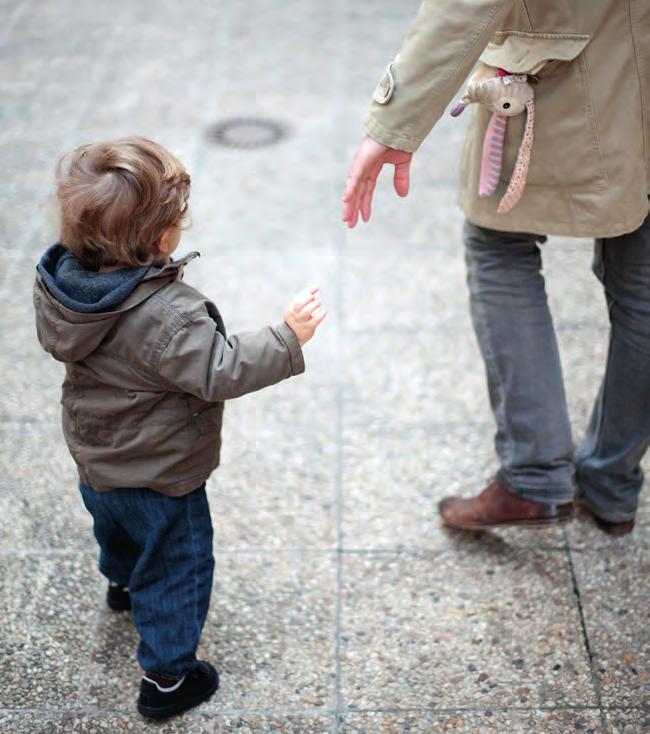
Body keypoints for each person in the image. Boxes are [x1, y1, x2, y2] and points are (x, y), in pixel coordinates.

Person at [33, 137, 326, 719]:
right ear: (159, 240)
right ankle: (168, 679)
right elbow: (221, 369)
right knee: (177, 563)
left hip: (97, 456)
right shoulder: (167, 314)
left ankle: (121, 586)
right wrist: (287, 336)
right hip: (162, 472)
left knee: (115, 527)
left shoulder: (65, 289)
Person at [343, 0, 649, 536]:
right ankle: (612, 483)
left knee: (498, 245)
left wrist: (392, 120)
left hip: (570, 83)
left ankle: (534, 477)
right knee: (643, 283)